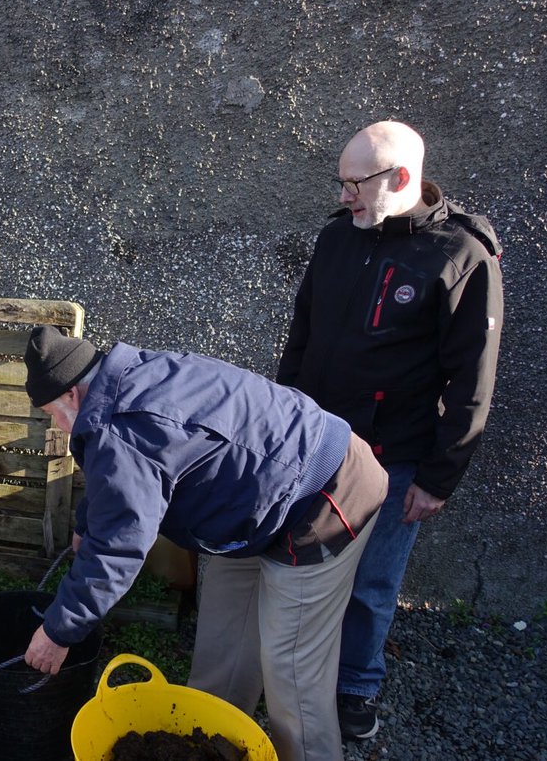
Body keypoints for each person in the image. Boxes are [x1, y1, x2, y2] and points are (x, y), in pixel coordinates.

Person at [21, 325, 388, 761]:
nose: (58, 428)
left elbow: (117, 548)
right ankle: (214, 744)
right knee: (222, 647)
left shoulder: (121, 426)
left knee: (292, 677)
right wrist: (87, 520)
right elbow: (127, 482)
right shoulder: (124, 378)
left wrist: (59, 632)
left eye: (52, 414)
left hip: (324, 493)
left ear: (73, 397)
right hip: (254, 502)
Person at [277, 120, 503, 740]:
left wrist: (439, 478)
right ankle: (299, 674)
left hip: (393, 459)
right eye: (341, 181)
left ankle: (355, 687)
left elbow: (471, 383)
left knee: (372, 583)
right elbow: (303, 336)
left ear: (400, 178)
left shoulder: (460, 256)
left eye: (356, 183)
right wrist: (284, 418)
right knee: (301, 565)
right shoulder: (337, 239)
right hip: (316, 445)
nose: (344, 194)